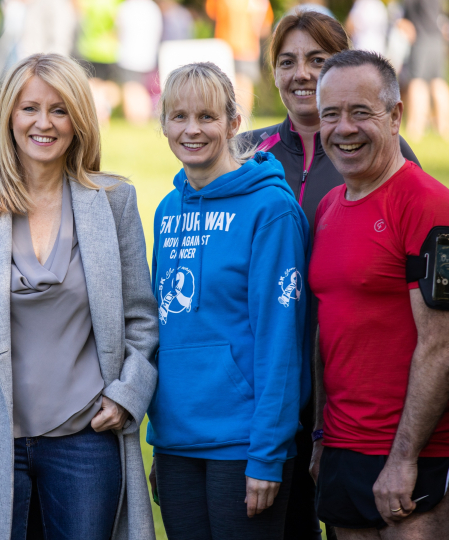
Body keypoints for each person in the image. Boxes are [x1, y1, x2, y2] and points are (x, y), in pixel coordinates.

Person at [0, 53, 158, 540]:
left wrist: (127, 394)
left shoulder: (112, 201)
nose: (43, 123)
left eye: (59, 109)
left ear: (79, 119)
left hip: (85, 436)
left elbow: (141, 320)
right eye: (30, 108)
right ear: (9, 114)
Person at [240, 11, 421, 539]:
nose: (301, 73)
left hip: (347, 386)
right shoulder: (247, 155)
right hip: (264, 383)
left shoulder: (379, 152)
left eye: (317, 60)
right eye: (287, 61)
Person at [148, 62, 311, 540]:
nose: (191, 130)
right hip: (177, 443)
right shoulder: (166, 209)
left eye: (207, 116)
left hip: (242, 446)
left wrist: (267, 454)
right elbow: (166, 330)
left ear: (234, 122)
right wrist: (163, 444)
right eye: (178, 117)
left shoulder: (271, 209)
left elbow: (281, 343)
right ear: (163, 125)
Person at [309, 49, 449, 540]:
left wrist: (404, 458)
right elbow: (329, 327)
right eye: (330, 114)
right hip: (343, 449)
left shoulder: (430, 204)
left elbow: (442, 345)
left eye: (360, 112)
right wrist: (323, 437)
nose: (343, 128)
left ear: (395, 117)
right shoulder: (328, 206)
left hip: (415, 457)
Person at [205, 0, 273, 115]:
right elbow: (265, 28)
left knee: (224, 84)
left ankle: (228, 117)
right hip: (246, 47)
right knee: (244, 85)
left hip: (226, 45)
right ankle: (243, 119)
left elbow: (211, 14)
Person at [401, 0, 449, 141]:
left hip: (421, 40)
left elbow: (406, 22)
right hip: (437, 40)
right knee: (438, 82)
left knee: (417, 82)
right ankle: (444, 126)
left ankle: (416, 127)